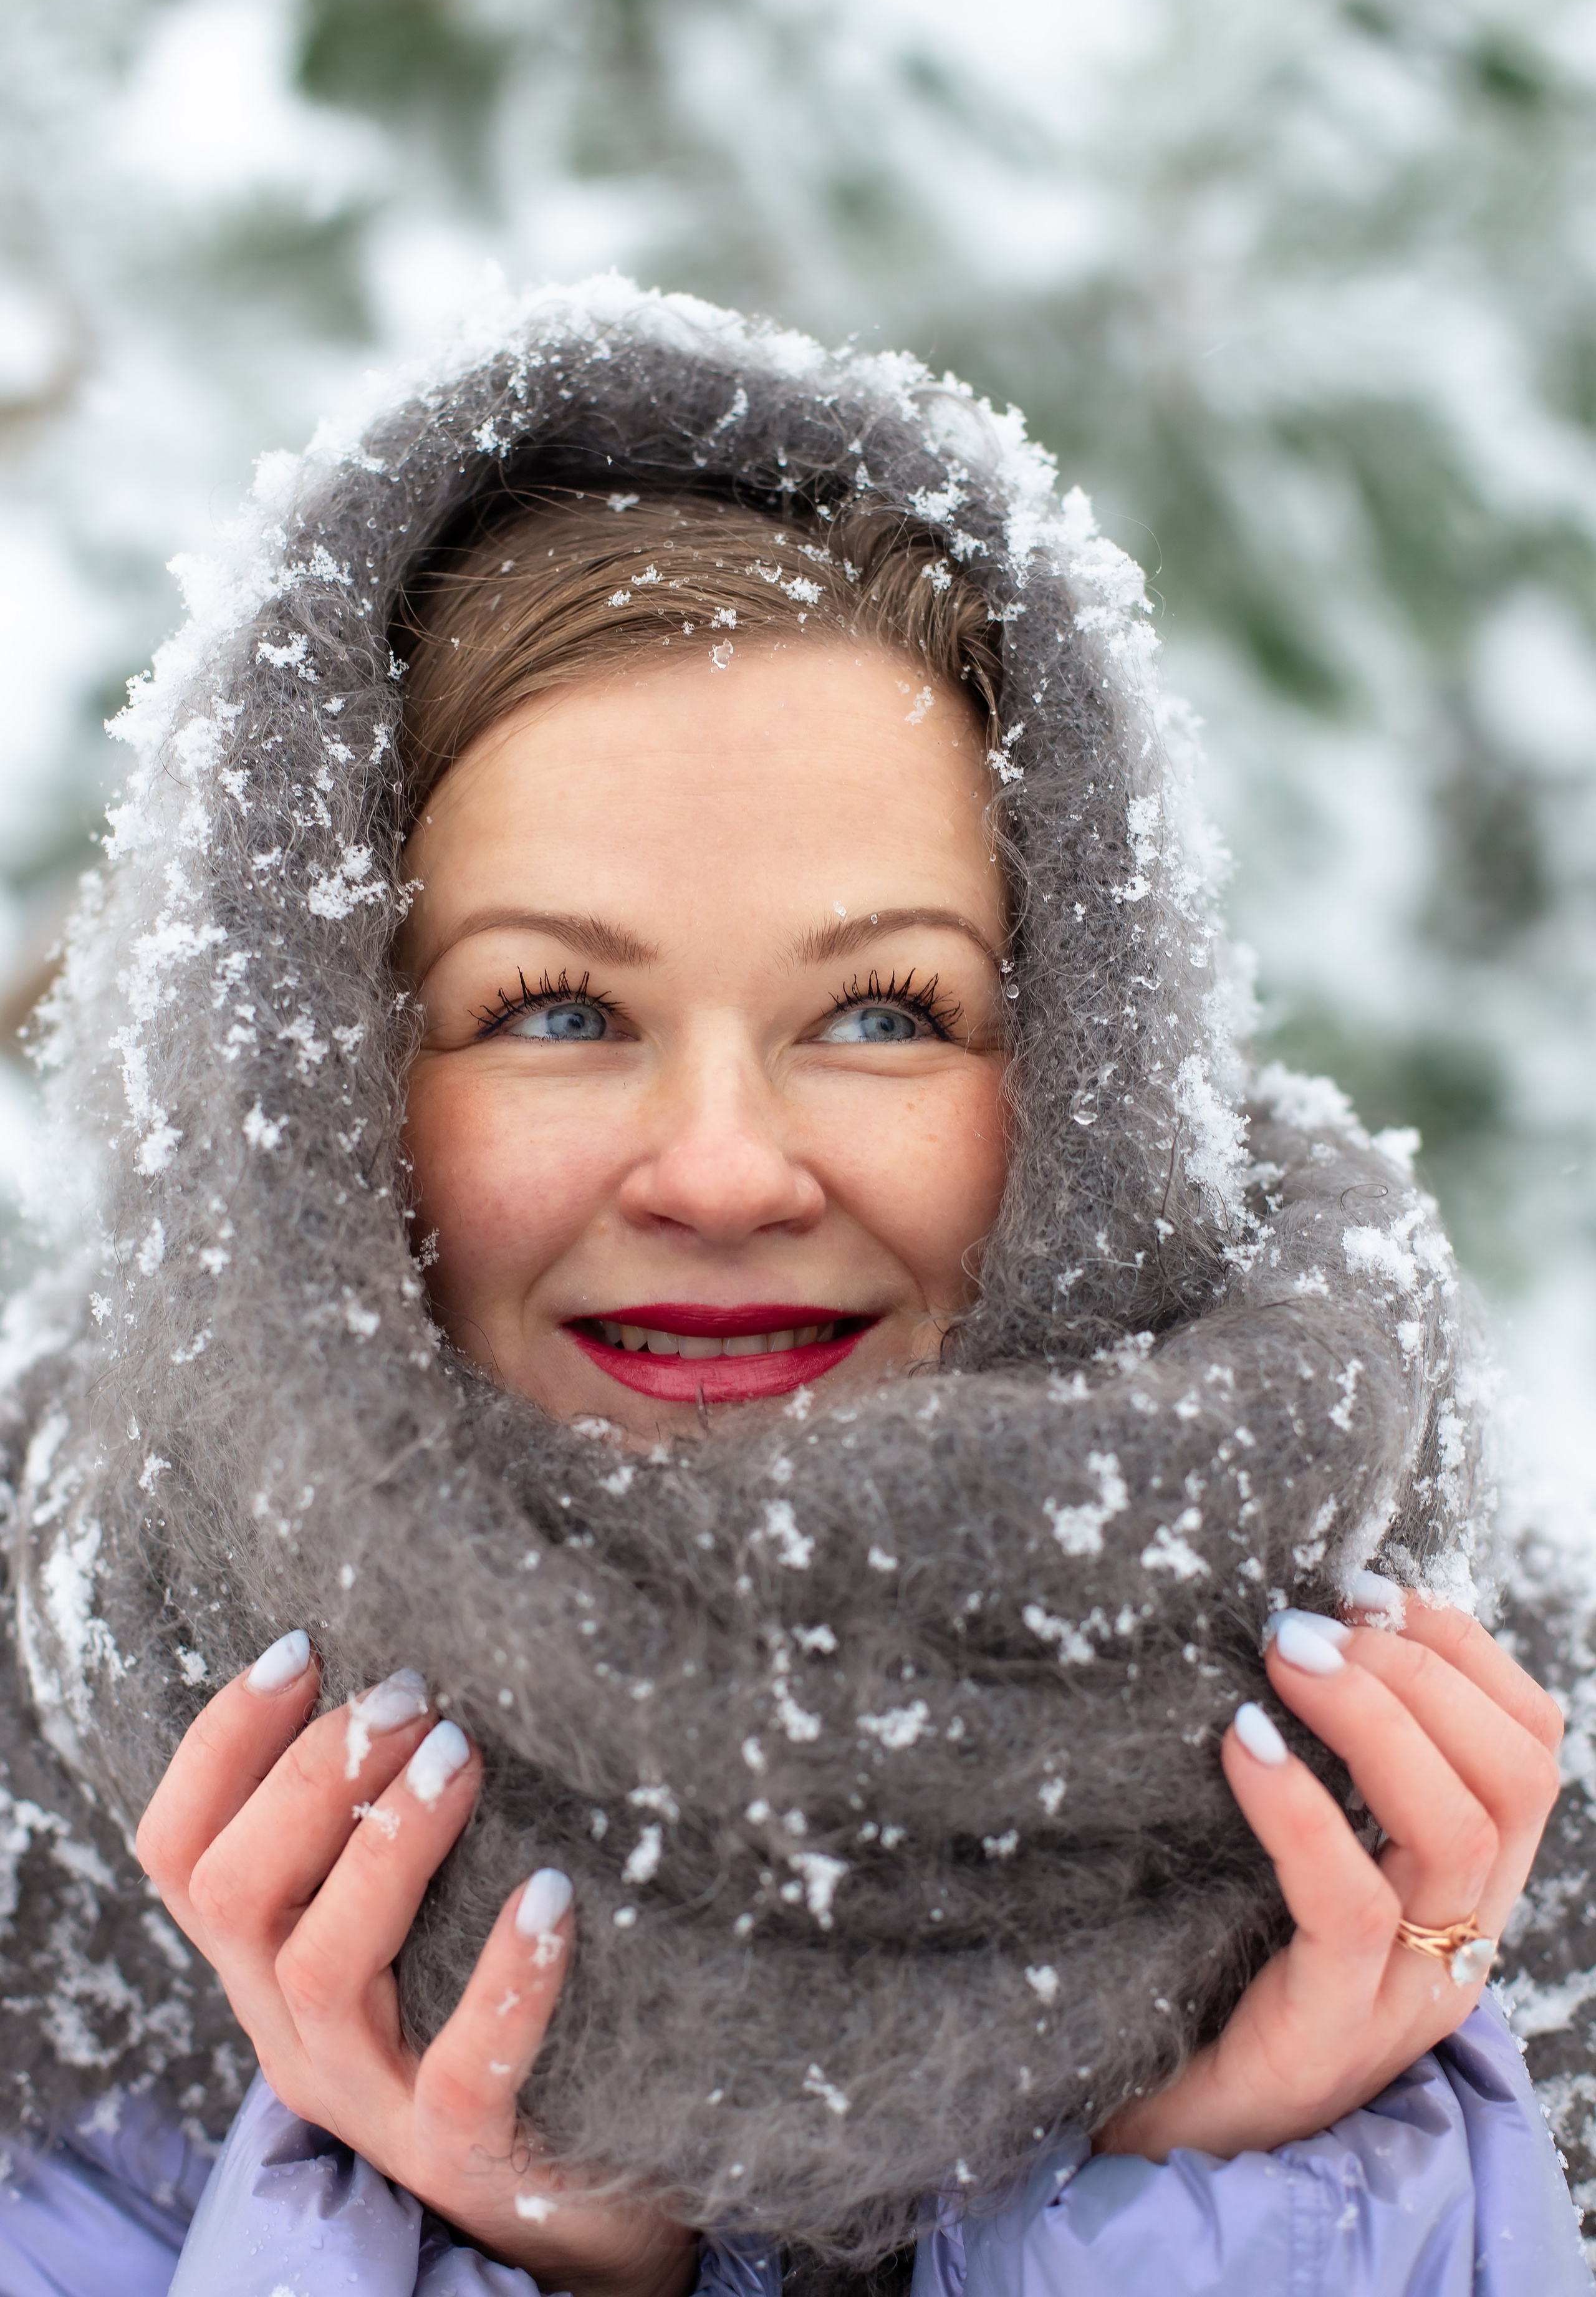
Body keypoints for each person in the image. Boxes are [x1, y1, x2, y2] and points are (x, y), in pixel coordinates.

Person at [0, 280, 1585, 2297]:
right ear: (311, 1090)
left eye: (885, 1012)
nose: (729, 1171)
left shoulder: (1475, 1816)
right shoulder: (41, 1936)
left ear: (1087, 1070)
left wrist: (1263, 2197)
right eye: (555, 1008)